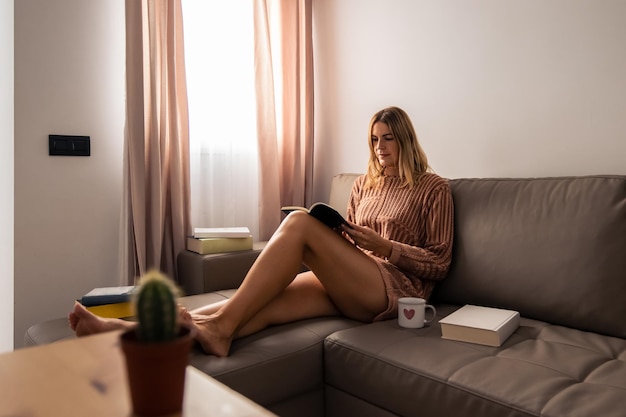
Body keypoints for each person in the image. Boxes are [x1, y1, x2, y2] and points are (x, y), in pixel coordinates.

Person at [69, 106, 454, 357]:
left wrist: (386, 247)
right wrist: (343, 239)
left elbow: (439, 262)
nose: (379, 146)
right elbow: (352, 242)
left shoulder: (434, 187)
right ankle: (137, 333)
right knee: (254, 306)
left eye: (387, 137)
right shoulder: (362, 185)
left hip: (396, 291)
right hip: (353, 280)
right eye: (374, 138)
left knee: (299, 222)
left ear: (405, 138)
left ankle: (212, 329)